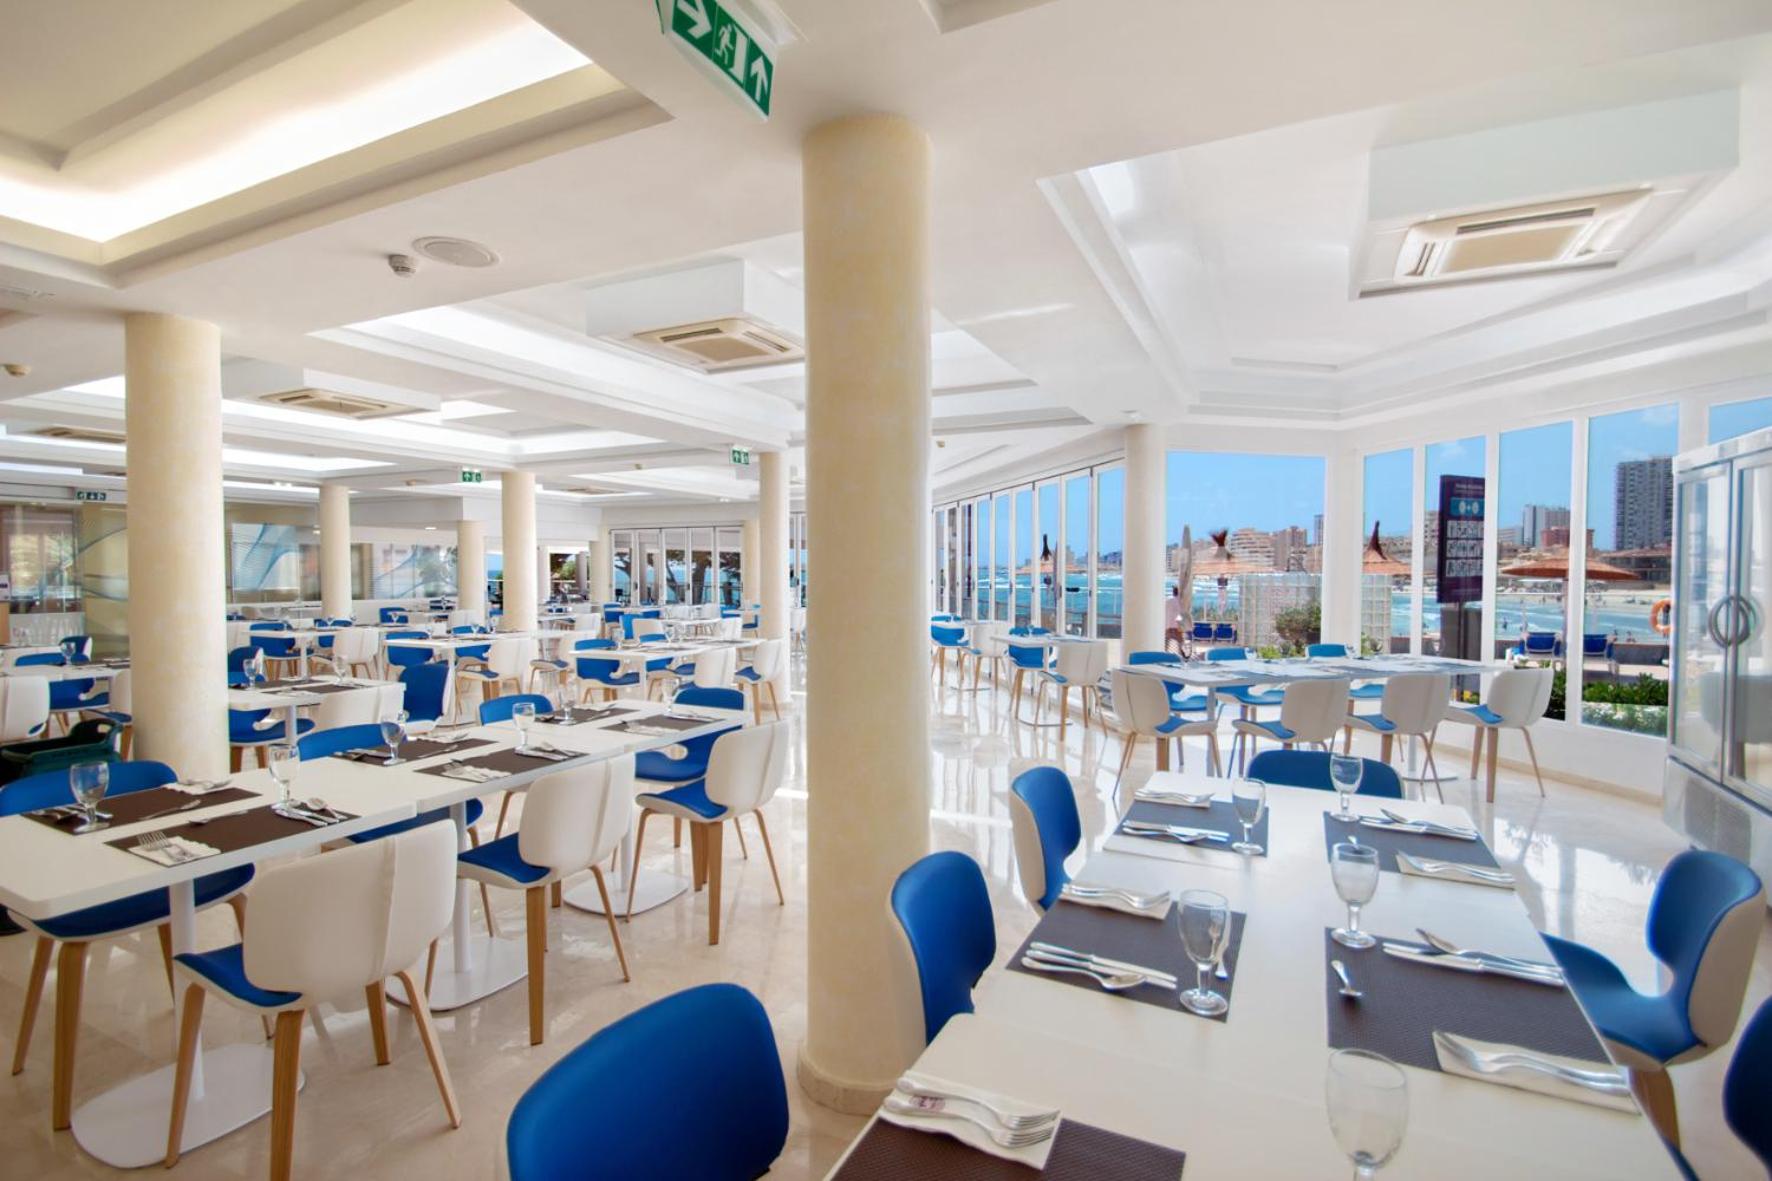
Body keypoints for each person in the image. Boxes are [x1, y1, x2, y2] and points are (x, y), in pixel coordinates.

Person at [1164, 581, 1186, 655]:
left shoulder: (1167, 602)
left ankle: (1164, 656)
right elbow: (1180, 615)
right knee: (1180, 644)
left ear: (1173, 593)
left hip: (1167, 627)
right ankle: (1181, 658)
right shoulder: (1180, 603)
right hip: (1176, 628)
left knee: (1166, 645)